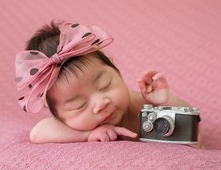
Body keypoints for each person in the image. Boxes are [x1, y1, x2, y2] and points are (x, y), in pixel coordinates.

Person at [15, 21, 189, 143]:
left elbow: (193, 137)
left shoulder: (142, 106)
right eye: (79, 105)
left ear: (114, 67)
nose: (100, 104)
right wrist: (88, 135)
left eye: (105, 85)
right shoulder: (73, 127)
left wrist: (167, 103)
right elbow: (38, 134)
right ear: (56, 112)